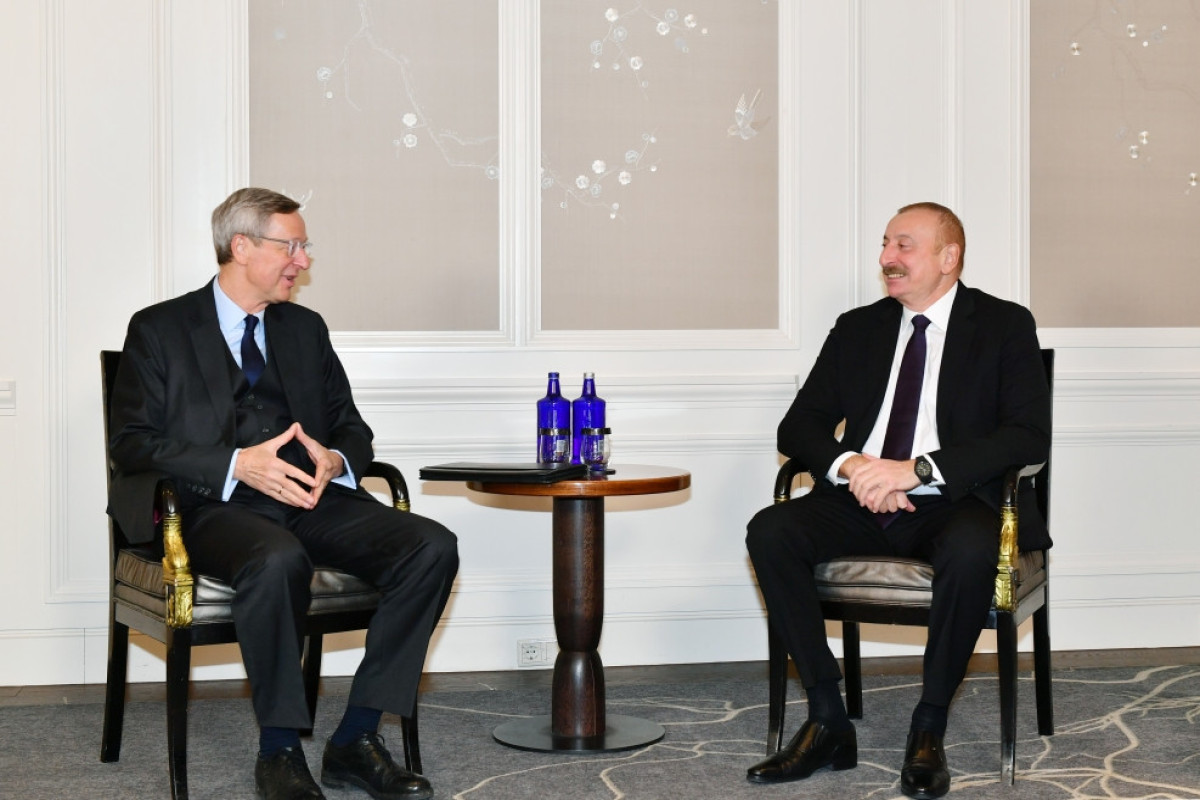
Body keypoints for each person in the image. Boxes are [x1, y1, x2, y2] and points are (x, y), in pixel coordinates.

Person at [107, 187, 459, 800]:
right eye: (290, 246)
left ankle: (356, 737)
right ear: (241, 247)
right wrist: (235, 464)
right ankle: (279, 750)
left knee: (431, 545)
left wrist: (336, 459)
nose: (303, 260)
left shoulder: (304, 328)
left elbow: (351, 425)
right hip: (211, 506)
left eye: (305, 247)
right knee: (276, 559)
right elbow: (132, 442)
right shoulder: (159, 328)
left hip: (310, 499)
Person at [744, 202, 1050, 799]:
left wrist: (916, 471)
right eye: (885, 244)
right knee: (771, 530)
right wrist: (854, 466)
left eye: (903, 245)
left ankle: (928, 725)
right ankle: (827, 719)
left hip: (953, 499)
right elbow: (798, 426)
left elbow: (1026, 436)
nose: (887, 257)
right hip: (860, 496)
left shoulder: (1004, 325)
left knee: (972, 548)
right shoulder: (858, 327)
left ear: (948, 256)